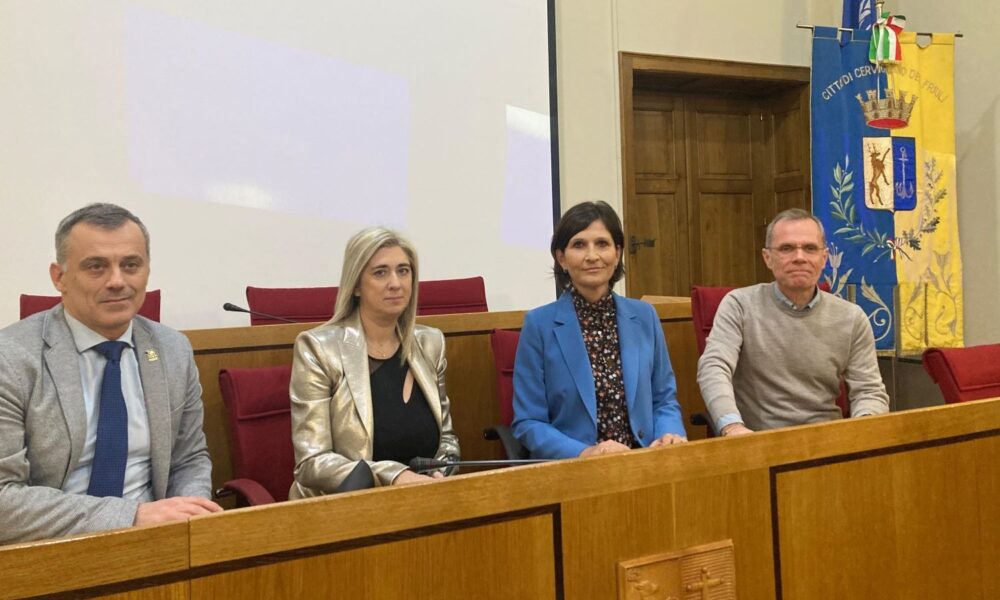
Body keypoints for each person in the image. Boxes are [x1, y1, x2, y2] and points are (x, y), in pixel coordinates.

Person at [0, 203, 220, 545]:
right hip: (49, 550)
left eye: (130, 265)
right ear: (59, 277)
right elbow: (4, 499)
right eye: (96, 267)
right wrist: (131, 517)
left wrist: (189, 518)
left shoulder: (172, 349)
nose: (117, 281)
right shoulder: (10, 359)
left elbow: (188, 459)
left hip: (159, 543)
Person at [289, 227, 460, 497]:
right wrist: (394, 476)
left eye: (403, 271)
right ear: (356, 284)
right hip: (347, 508)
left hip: (423, 500)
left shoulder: (430, 343)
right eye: (380, 272)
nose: (396, 283)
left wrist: (440, 472)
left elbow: (447, 439)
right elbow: (312, 463)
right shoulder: (319, 349)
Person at [512, 201, 687, 459]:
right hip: (579, 468)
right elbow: (528, 422)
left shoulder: (644, 316)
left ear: (617, 254)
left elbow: (664, 400)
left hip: (646, 460)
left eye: (602, 244)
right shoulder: (539, 325)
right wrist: (586, 452)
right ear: (561, 258)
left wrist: (669, 433)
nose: (592, 256)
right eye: (579, 245)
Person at [697, 208, 890, 436]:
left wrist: (863, 429)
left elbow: (869, 391)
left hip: (827, 441)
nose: (800, 257)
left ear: (824, 258)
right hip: (758, 441)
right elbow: (713, 368)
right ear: (767, 258)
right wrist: (731, 426)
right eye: (787, 248)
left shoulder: (852, 317)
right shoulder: (739, 305)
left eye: (810, 248)